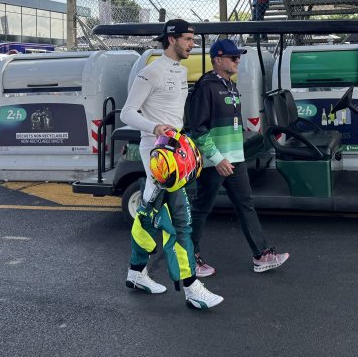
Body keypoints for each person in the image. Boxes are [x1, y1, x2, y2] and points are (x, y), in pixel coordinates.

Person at [119, 19, 223, 309]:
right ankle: (192, 288)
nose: (192, 44)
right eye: (188, 39)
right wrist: (154, 128)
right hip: (159, 157)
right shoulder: (150, 72)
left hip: (176, 153)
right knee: (180, 221)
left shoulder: (180, 71)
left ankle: (136, 273)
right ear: (172, 39)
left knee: (148, 215)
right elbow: (127, 113)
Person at [188, 38, 289, 276]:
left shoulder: (231, 86)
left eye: (238, 57)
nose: (237, 61)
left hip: (235, 159)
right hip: (215, 163)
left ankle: (261, 255)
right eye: (233, 57)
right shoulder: (206, 87)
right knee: (201, 208)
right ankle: (189, 257)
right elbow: (198, 130)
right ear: (217, 60)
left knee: (246, 205)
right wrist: (217, 158)